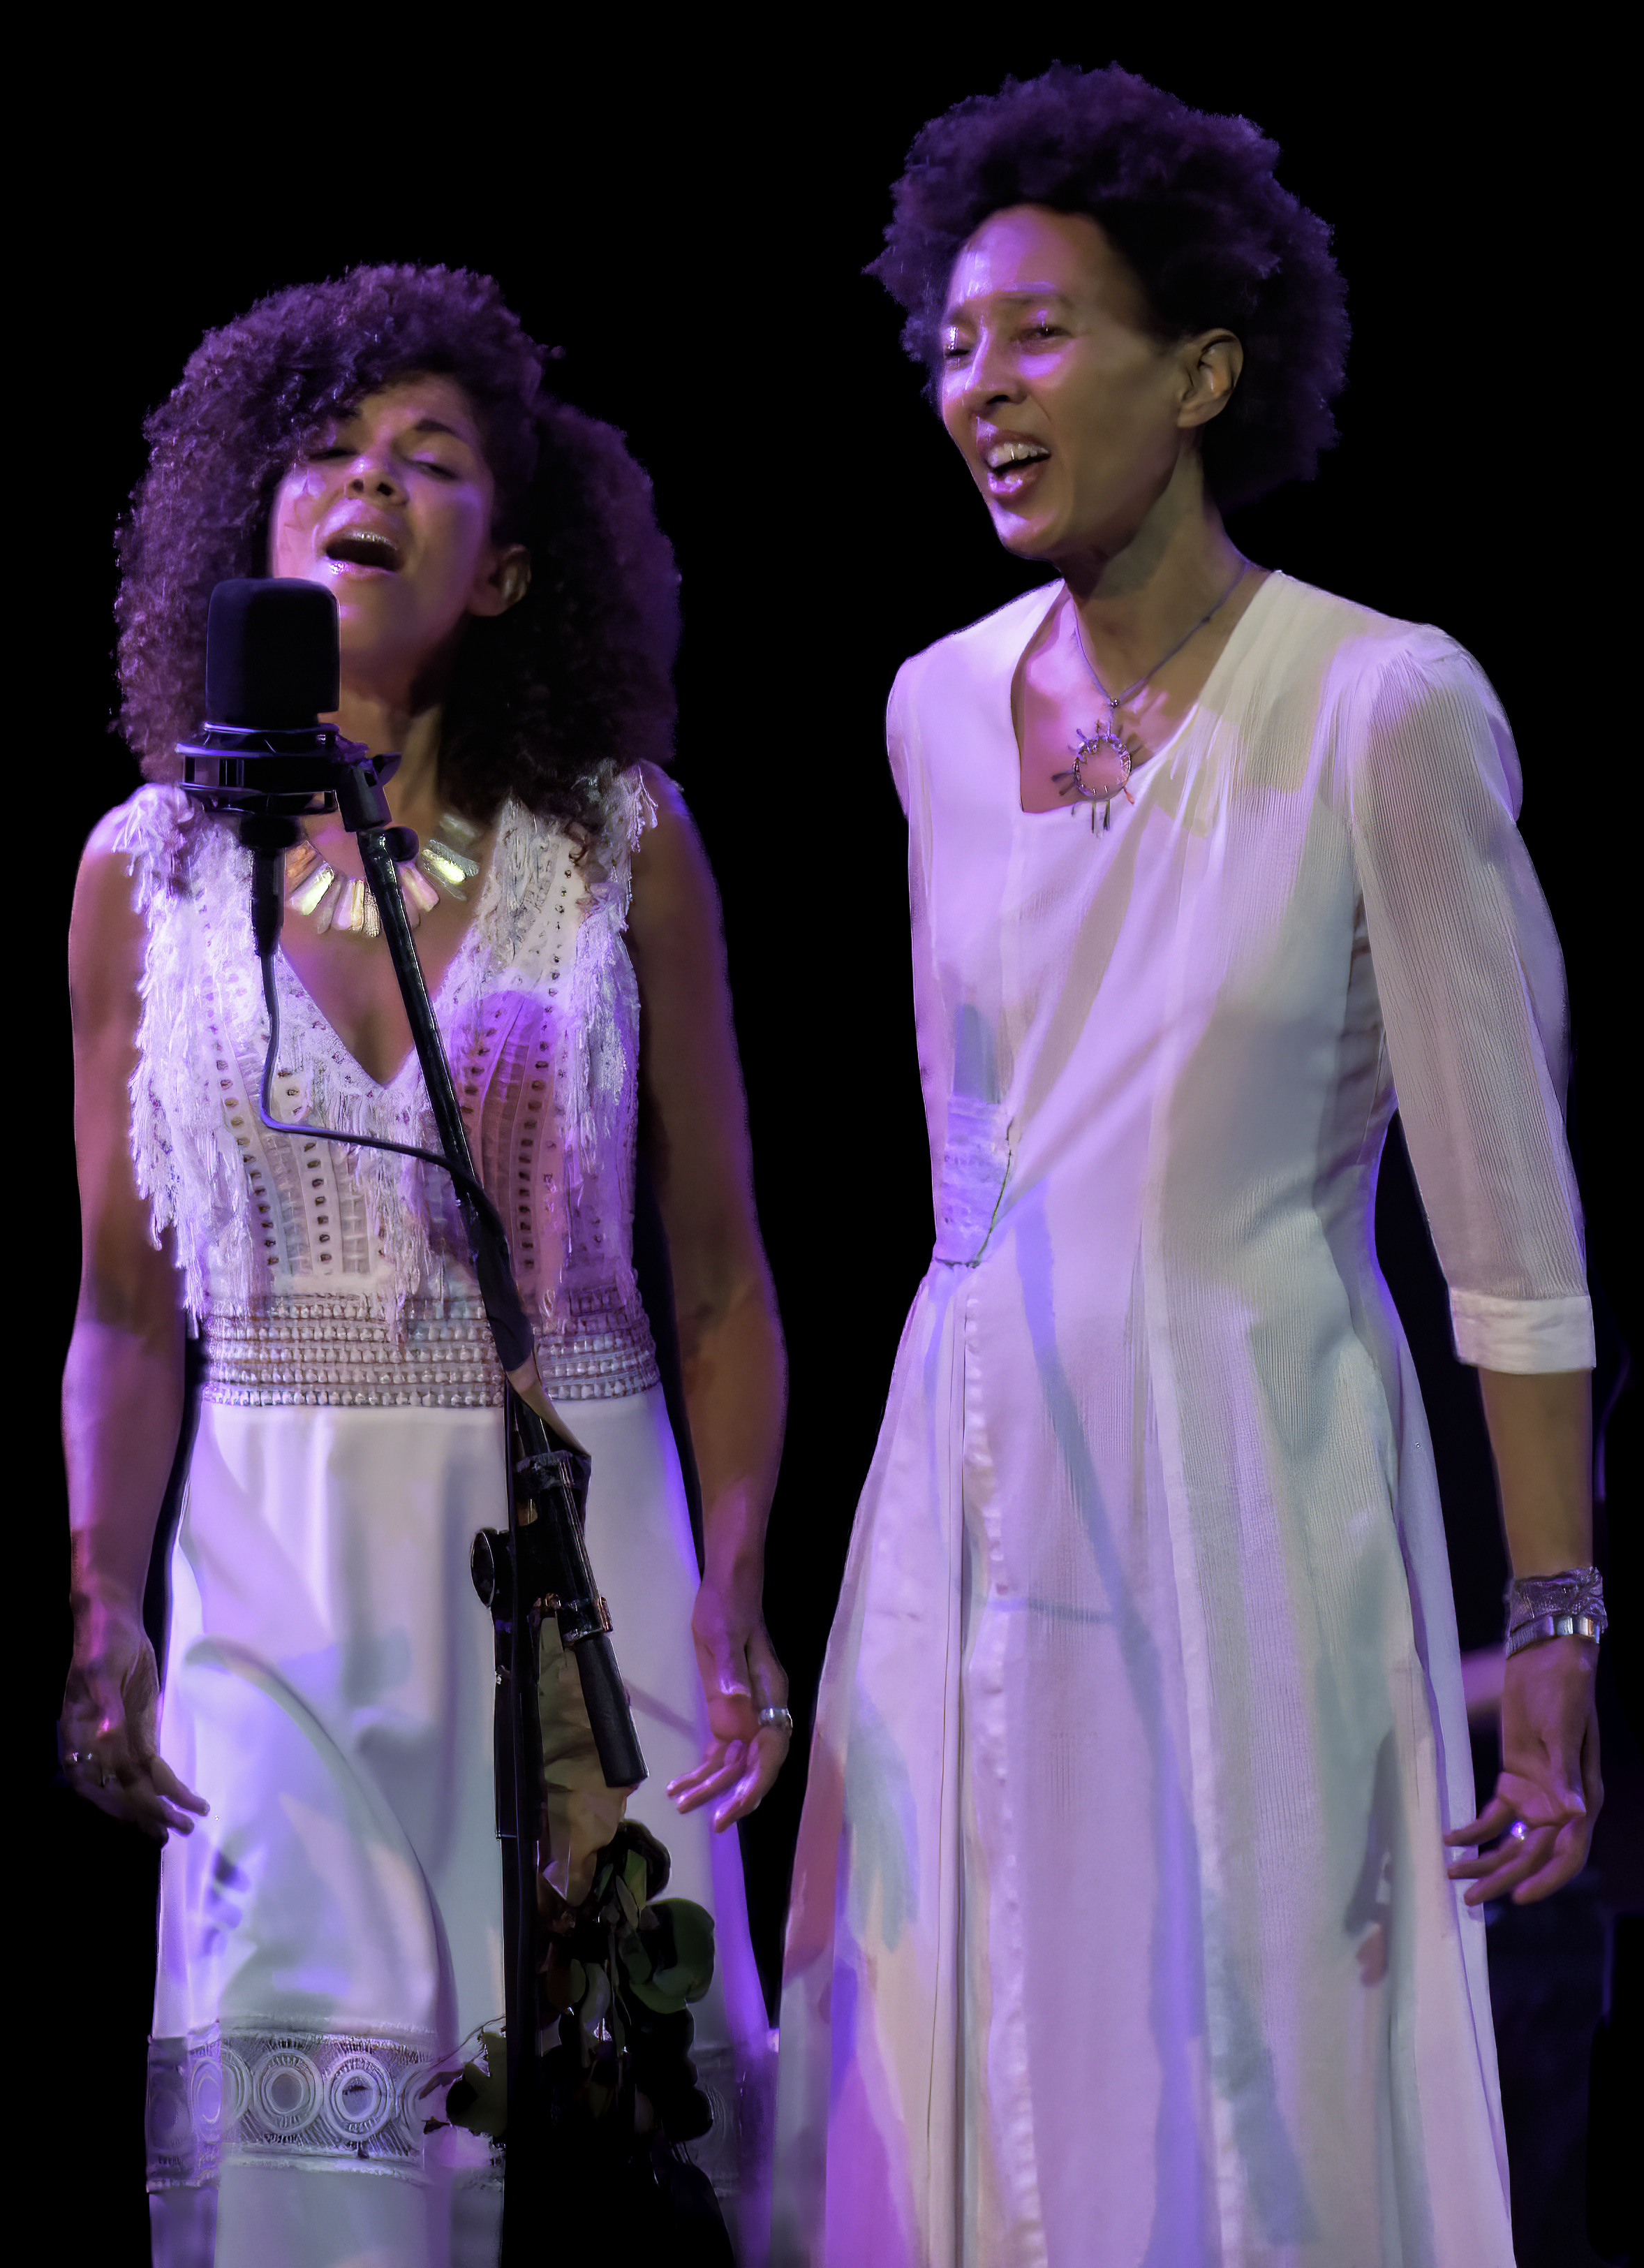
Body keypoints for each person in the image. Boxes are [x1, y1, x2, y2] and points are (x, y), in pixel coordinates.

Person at [771, 68, 1602, 2265]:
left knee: (1231, 2079)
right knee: (963, 2063)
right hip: (962, 1480)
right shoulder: (932, 711)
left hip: (1251, 1475)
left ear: (1204, 371)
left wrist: (1555, 1622)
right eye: (953, 344)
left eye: (1038, 333)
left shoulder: (1378, 706)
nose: (981, 387)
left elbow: (1508, 1225)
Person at [63, 266, 792, 2266]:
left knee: (633, 2148)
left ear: (506, 570)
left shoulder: (619, 841)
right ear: (258, 527)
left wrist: (732, 1586)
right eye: (324, 453)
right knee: (331, 2174)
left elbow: (719, 1278)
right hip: (277, 1568)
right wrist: (97, 1597)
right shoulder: (152, 870)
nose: (366, 481)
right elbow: (126, 1314)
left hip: (584, 1553)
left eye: (428, 460)